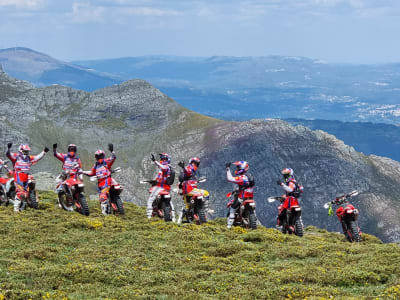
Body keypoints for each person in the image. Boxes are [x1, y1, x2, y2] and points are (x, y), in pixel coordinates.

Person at [6, 143, 49, 212]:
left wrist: (44, 151)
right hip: (18, 175)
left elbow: (37, 157)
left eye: (27, 151)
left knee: (26, 193)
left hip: (26, 176)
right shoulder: (16, 156)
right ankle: (16, 210)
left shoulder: (29, 158)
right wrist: (8, 148)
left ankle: (22, 208)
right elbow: (9, 155)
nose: (26, 153)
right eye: (25, 151)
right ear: (21, 150)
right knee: (20, 193)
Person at [81, 144, 116, 215]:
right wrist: (82, 171)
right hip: (100, 184)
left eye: (101, 155)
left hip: (107, 181)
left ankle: (105, 215)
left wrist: (112, 152)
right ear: (96, 157)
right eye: (98, 156)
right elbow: (91, 173)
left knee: (103, 198)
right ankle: (108, 212)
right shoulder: (96, 165)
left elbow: (113, 158)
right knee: (101, 199)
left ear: (103, 156)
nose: (99, 157)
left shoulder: (106, 161)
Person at [177, 157, 209, 223]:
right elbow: (187, 172)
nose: (195, 165)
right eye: (194, 163)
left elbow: (186, 176)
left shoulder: (190, 174)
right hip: (189, 189)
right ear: (191, 163)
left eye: (196, 164)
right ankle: (206, 209)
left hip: (186, 190)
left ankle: (179, 221)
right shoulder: (189, 168)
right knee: (206, 193)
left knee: (187, 206)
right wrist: (183, 168)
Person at [53, 143, 83, 210]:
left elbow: (80, 169)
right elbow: (56, 154)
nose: (72, 150)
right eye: (70, 149)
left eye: (73, 149)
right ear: (68, 149)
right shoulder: (65, 156)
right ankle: (61, 202)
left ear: (75, 150)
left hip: (74, 177)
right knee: (59, 189)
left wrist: (81, 177)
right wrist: (54, 149)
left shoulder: (77, 159)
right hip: (65, 176)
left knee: (78, 189)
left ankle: (78, 202)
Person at [146, 153, 175, 221]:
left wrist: (155, 161)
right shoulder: (163, 170)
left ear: (167, 160)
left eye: (164, 159)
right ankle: (172, 215)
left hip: (162, 187)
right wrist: (153, 180)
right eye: (162, 159)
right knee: (169, 201)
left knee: (151, 199)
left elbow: (162, 167)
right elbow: (158, 178)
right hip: (165, 187)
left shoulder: (166, 167)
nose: (162, 160)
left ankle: (149, 216)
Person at [226, 161, 255, 228]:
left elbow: (230, 178)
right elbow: (246, 186)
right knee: (253, 210)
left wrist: (227, 169)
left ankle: (229, 226)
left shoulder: (242, 178)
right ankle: (253, 219)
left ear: (243, 168)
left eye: (238, 167)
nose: (237, 169)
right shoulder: (250, 176)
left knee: (232, 209)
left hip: (242, 198)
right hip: (250, 197)